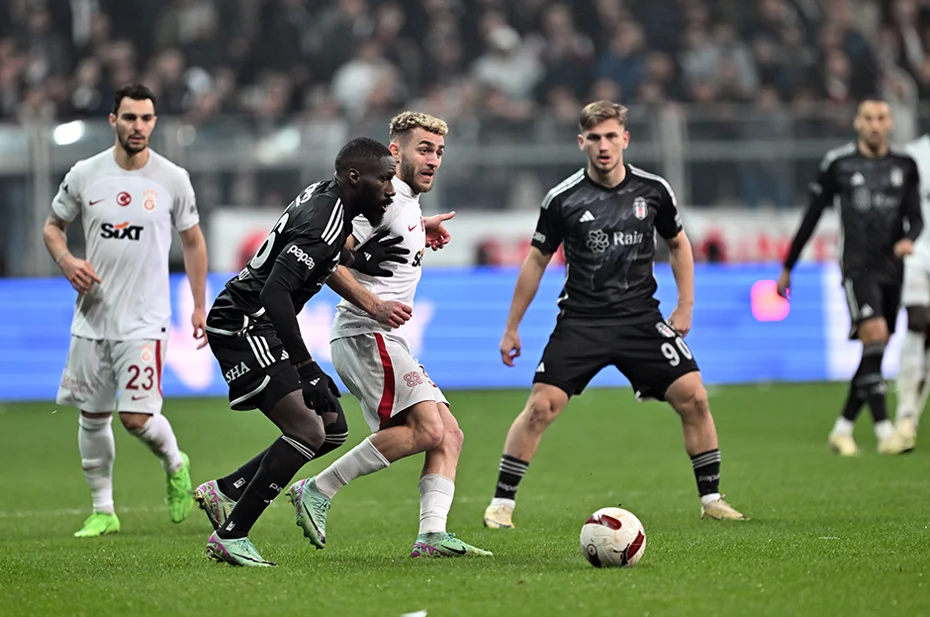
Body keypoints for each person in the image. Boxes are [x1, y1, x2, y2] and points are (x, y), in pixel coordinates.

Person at [482, 100, 747, 531]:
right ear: (581, 142)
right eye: (594, 138)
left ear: (625, 139)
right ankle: (501, 504)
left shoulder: (653, 190)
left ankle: (712, 499)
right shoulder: (563, 199)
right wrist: (511, 328)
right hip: (581, 321)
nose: (603, 146)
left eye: (610, 137)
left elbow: (678, 244)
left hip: (641, 319)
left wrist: (685, 305)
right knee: (540, 408)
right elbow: (536, 261)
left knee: (695, 397)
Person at [286, 111, 492, 558]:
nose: (433, 159)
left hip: (383, 337)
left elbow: (389, 231)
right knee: (428, 430)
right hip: (364, 332)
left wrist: (420, 228)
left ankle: (432, 535)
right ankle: (317, 489)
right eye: (424, 149)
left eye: (439, 151)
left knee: (449, 434)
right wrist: (373, 304)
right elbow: (326, 259)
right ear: (394, 151)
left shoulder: (403, 202)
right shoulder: (382, 200)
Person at [196, 137, 409, 567]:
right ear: (355, 177)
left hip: (261, 323)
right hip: (244, 324)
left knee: (332, 429)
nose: (391, 189)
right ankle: (232, 536)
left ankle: (228, 490)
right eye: (385, 179)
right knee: (308, 431)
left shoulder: (329, 199)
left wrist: (358, 259)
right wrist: (308, 368)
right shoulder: (323, 220)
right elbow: (275, 292)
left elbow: (315, 255)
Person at [43, 83, 207, 538]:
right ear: (113, 120)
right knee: (92, 416)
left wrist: (198, 305)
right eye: (130, 117)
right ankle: (104, 510)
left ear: (155, 122)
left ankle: (175, 463)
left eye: (147, 118)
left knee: (135, 418)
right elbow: (53, 227)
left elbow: (193, 242)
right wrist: (66, 260)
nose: (139, 126)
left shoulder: (172, 178)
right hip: (93, 316)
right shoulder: (85, 174)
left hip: (145, 319)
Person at [778, 96, 923, 456]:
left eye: (881, 118)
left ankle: (842, 429)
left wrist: (909, 239)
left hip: (893, 268)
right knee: (875, 336)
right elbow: (812, 216)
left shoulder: (905, 165)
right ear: (857, 123)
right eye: (868, 118)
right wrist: (788, 266)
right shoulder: (839, 164)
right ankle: (885, 431)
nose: (875, 125)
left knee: (876, 348)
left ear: (890, 123)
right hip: (858, 267)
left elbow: (916, 217)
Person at [895, 133, 930, 450]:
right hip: (917, 251)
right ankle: (905, 412)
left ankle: (911, 417)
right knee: (918, 320)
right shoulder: (914, 154)